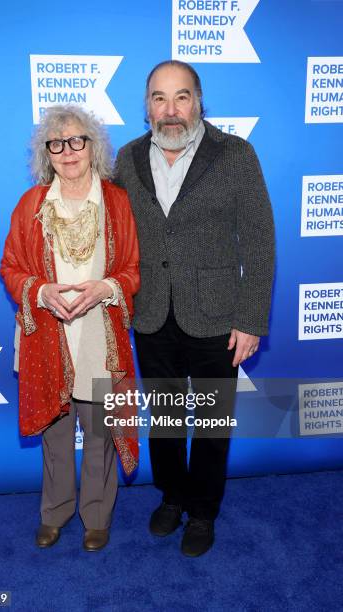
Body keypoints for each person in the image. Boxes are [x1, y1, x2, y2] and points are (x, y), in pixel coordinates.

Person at [114, 60, 275, 557]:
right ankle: (172, 496)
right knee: (164, 416)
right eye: (159, 98)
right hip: (151, 313)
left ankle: (203, 510)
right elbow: (116, 233)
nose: (170, 109)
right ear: (147, 107)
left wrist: (250, 319)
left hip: (216, 316)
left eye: (181, 96)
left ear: (199, 101)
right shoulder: (127, 157)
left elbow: (260, 240)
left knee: (209, 423)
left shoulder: (235, 154)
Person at [0, 104, 140, 552]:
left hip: (100, 335)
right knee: (55, 434)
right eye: (56, 144)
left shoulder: (117, 201)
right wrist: (40, 292)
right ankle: (55, 513)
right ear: (47, 153)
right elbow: (10, 267)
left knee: (99, 434)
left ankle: (97, 515)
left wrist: (107, 287)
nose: (68, 151)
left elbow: (134, 270)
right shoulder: (31, 205)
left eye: (77, 140)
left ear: (92, 146)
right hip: (46, 336)